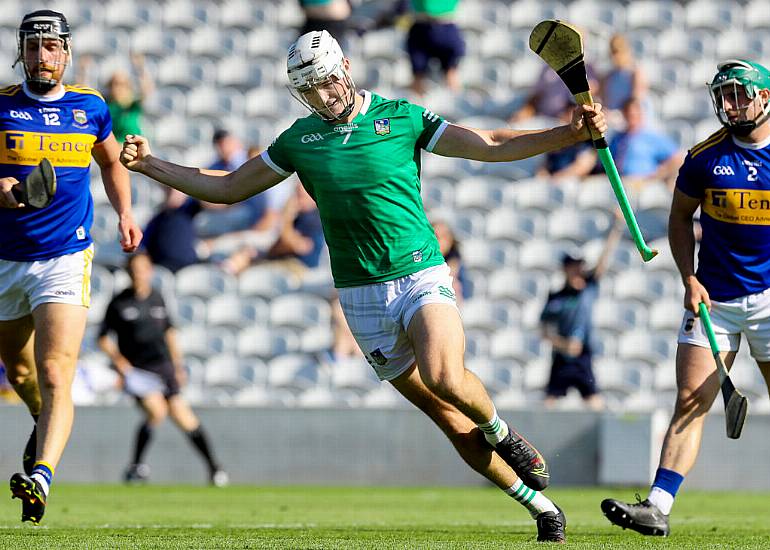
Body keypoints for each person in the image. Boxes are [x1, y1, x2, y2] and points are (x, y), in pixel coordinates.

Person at [121, 30, 608, 542]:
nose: (324, 97)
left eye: (328, 82)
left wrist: (566, 135)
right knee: (444, 415)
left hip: (419, 271)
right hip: (360, 296)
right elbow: (225, 187)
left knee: (444, 375)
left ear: (347, 67)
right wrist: (151, 165)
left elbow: (488, 145)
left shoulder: (403, 116)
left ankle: (501, 432)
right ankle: (539, 506)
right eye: (311, 91)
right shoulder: (299, 141)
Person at [601, 59, 770, 537]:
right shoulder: (704, 158)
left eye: (740, 94)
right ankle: (657, 506)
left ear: (765, 98)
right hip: (713, 300)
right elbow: (679, 220)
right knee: (691, 402)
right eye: (725, 96)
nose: (732, 104)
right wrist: (687, 277)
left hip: (769, 301)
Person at [1, 10, 142, 525]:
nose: (43, 56)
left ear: (66, 51)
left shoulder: (90, 107)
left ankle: (40, 477)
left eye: (52, 47)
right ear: (22, 51)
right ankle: (42, 419)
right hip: (4, 259)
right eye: (34, 47)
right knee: (19, 370)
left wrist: (126, 212)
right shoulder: (1, 107)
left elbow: (109, 161)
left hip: (65, 254)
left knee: (58, 369)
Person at [97, 253, 228, 486]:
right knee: (156, 412)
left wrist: (178, 366)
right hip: (138, 371)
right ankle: (137, 467)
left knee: (184, 416)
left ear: (149, 271)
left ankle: (214, 469)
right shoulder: (119, 302)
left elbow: (169, 333)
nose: (138, 274)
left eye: (143, 269)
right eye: (134, 270)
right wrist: (118, 360)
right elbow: (103, 338)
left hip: (164, 367)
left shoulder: (157, 299)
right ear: (128, 273)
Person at [539, 217, 623, 411]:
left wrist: (616, 228)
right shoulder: (556, 297)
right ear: (565, 268)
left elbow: (604, 258)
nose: (577, 268)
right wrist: (563, 344)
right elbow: (543, 330)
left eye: (579, 264)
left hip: (583, 354)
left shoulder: (589, 287)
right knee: (548, 403)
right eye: (573, 264)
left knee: (594, 400)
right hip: (562, 355)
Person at [509, 63, 599, 124]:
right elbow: (535, 98)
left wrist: (567, 120)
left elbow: (586, 103)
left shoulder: (587, 68)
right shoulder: (547, 67)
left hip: (565, 124)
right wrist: (524, 113)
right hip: (542, 120)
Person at [104, 53, 154, 142]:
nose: (117, 88)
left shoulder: (132, 105)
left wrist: (140, 68)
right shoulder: (105, 105)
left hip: (132, 149)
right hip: (112, 151)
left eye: (121, 84)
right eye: (113, 84)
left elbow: (147, 91)